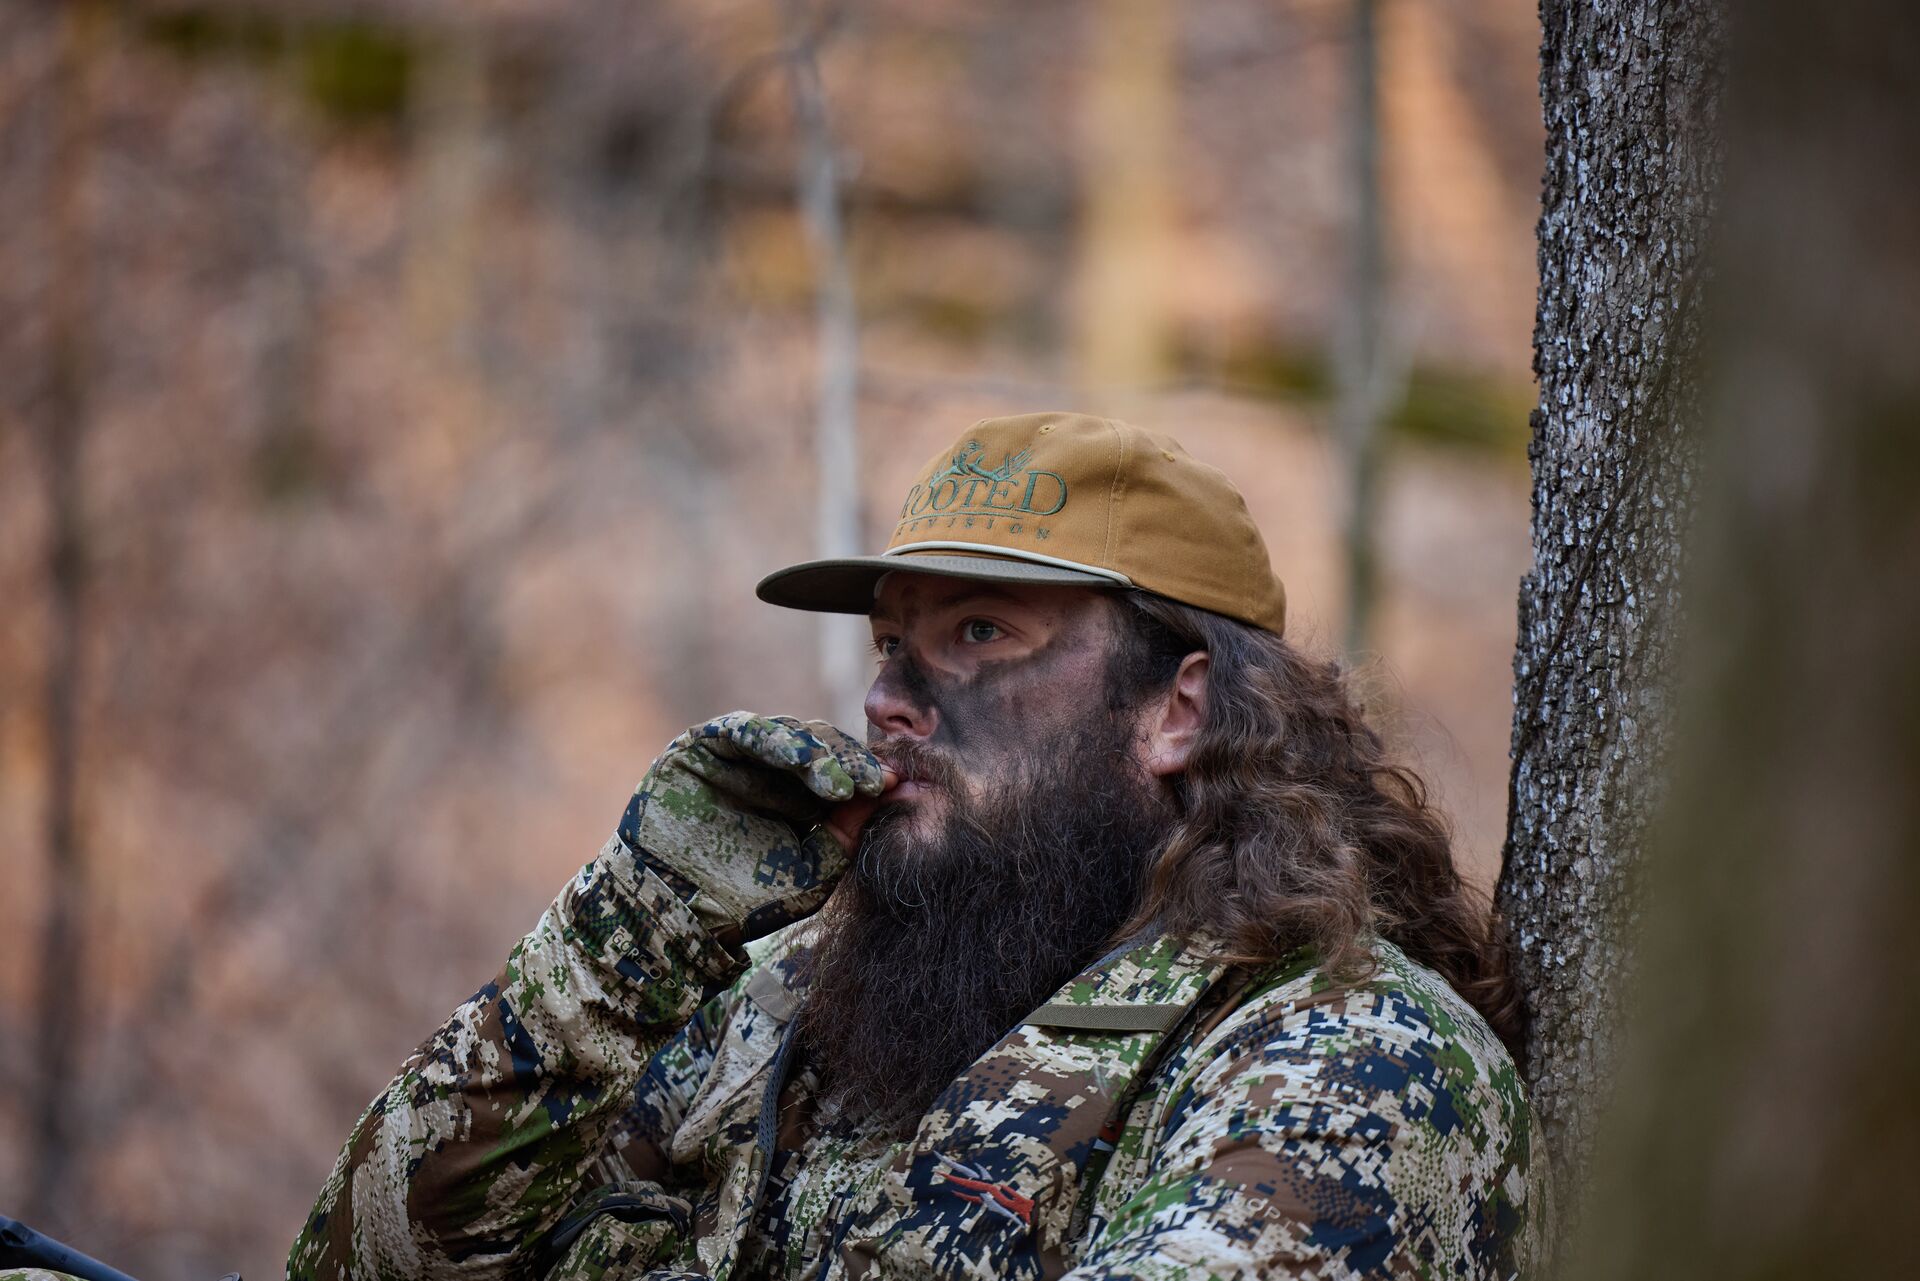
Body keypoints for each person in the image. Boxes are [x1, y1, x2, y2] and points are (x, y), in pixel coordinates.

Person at [287, 412, 1545, 1281]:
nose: (891, 696)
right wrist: (625, 935)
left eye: (983, 634)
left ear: (1181, 709)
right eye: (895, 642)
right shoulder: (794, 1003)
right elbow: (366, 1261)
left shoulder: (1354, 1065)